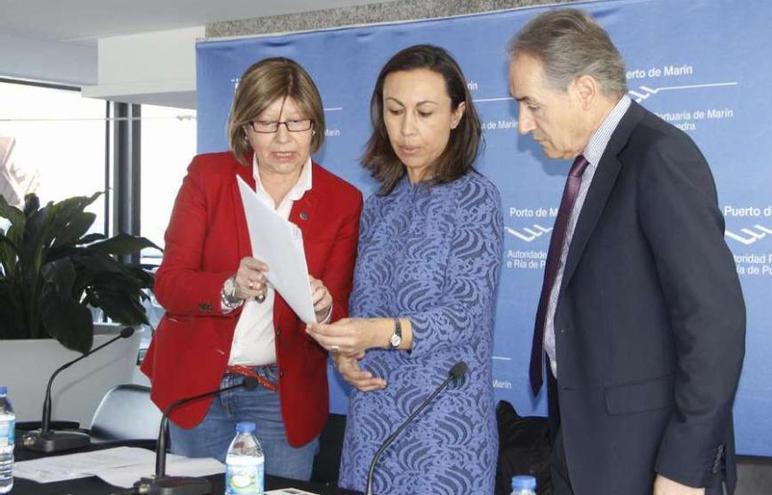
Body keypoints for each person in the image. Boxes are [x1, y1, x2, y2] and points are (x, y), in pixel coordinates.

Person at [508, 9, 746, 495]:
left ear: (584, 90)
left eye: (531, 104)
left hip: (646, 459)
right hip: (585, 445)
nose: (521, 124)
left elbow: (714, 324)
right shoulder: (591, 165)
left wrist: (684, 469)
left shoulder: (658, 156)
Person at [140, 57, 362, 480]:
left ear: (315, 127)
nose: (283, 139)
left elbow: (338, 307)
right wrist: (229, 287)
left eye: (296, 123)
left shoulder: (342, 200)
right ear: (244, 128)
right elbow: (168, 284)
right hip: (198, 386)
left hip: (281, 393)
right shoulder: (209, 177)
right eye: (266, 123)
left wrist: (323, 304)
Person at [306, 44, 502, 494]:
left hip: (442, 430)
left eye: (425, 112)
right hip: (372, 418)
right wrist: (346, 353)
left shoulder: (477, 199)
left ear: (456, 114)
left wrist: (378, 334)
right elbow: (366, 308)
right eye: (394, 111)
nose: (407, 129)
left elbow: (464, 316)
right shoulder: (379, 206)